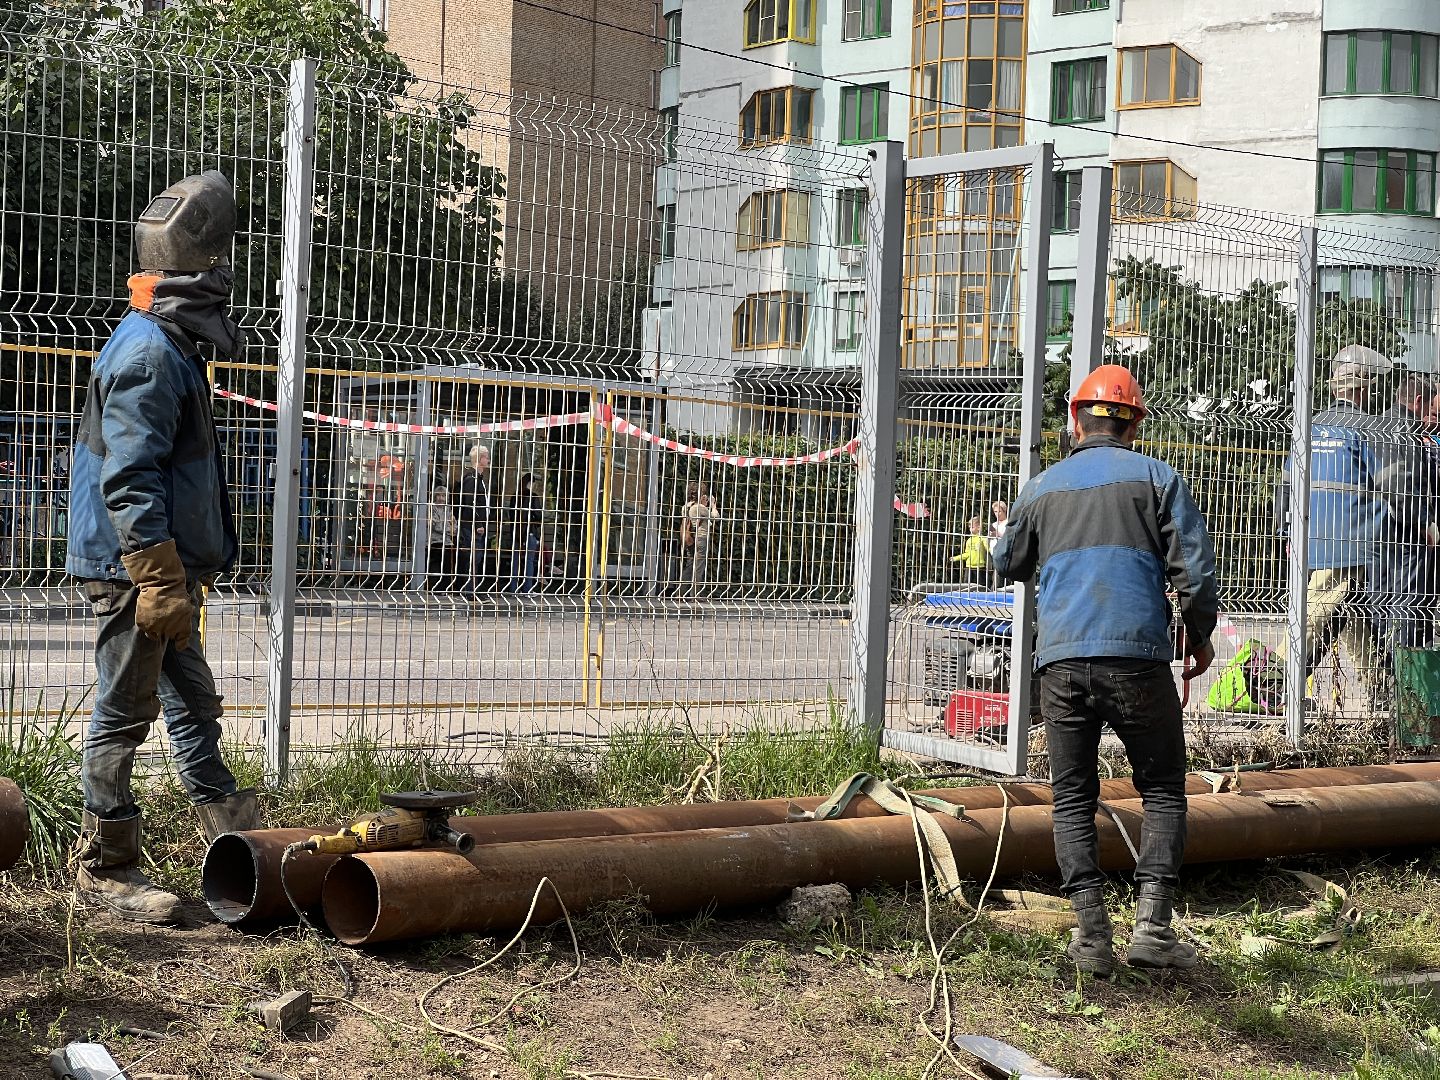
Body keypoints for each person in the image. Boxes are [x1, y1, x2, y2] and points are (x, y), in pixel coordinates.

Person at [66, 171, 260, 924]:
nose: (228, 275)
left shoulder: (168, 344)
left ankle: (238, 841)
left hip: (164, 569)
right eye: (222, 263)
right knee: (126, 708)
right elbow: (130, 474)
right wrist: (155, 577)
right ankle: (104, 873)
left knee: (193, 704)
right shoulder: (150, 353)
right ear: (203, 269)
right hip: (137, 570)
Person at [993, 364, 1218, 977]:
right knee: (1164, 788)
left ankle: (1091, 938)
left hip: (1061, 662)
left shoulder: (1041, 488)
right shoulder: (1158, 479)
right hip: (1139, 659)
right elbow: (1194, 577)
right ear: (1134, 424)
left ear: (1074, 420)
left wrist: (1002, 534)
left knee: (1071, 798)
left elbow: (1007, 562)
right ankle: (1152, 929)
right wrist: (1198, 638)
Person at [1285, 345, 1394, 707]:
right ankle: (1274, 683)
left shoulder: (1310, 425)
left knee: (1347, 613)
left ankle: (1382, 691)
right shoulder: (1367, 428)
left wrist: (1286, 534)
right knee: (1318, 615)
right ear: (1364, 390)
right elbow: (1389, 483)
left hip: (1309, 535)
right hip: (1352, 538)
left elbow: (1287, 486)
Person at [455, 443, 493, 594]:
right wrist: (478, 523)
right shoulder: (472, 478)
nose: (489, 459)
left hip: (473, 525)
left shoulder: (477, 478)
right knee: (473, 558)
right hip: (471, 526)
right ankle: (469, 591)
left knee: (474, 558)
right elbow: (471, 503)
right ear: (481, 458)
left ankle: (469, 589)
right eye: (486, 457)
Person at [509, 472, 543, 593]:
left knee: (516, 560)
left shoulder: (515, 496)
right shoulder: (533, 497)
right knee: (529, 560)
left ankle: (513, 588)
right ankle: (527, 588)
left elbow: (511, 515)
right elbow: (539, 515)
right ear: (531, 484)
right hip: (530, 531)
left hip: (516, 533)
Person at [680, 484, 717, 596]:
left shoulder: (686, 506)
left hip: (689, 538)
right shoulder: (700, 508)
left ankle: (680, 593)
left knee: (690, 564)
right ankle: (694, 594)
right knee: (699, 566)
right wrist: (713, 506)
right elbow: (715, 516)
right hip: (701, 538)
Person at [427, 482, 459, 590]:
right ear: (435, 496)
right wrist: (448, 528)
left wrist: (449, 529)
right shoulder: (431, 507)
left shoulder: (448, 508)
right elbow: (435, 525)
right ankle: (436, 588)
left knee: (452, 562)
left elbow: (455, 525)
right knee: (440, 559)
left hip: (448, 541)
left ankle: (445, 587)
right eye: (439, 495)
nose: (441, 498)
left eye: (444, 496)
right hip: (435, 541)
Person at [954, 515, 990, 586]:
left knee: (980, 586)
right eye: (969, 527)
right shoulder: (969, 540)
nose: (970, 529)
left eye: (972, 527)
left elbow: (988, 548)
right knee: (966, 585)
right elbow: (967, 554)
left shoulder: (982, 539)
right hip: (969, 566)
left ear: (979, 528)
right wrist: (956, 558)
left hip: (979, 566)